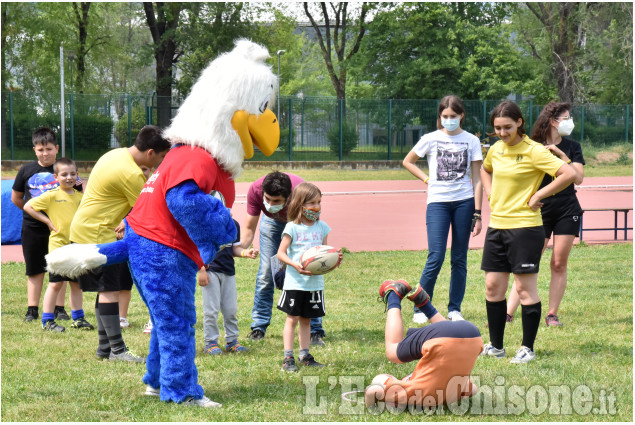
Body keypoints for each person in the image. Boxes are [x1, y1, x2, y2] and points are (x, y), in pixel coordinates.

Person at [480, 100, 576, 364]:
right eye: (498, 128)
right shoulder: (496, 150)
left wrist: (538, 196)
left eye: (507, 127)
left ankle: (527, 349)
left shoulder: (534, 150)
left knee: (524, 290)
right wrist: (490, 194)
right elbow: (484, 170)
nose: (501, 133)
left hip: (525, 228)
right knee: (493, 287)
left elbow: (567, 174)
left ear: (519, 123)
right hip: (497, 227)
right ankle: (496, 346)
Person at [70, 125, 170, 362]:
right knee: (110, 290)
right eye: (162, 157)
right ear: (151, 153)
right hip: (99, 234)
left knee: (105, 290)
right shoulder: (131, 174)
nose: (161, 162)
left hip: (84, 230)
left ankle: (104, 348)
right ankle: (117, 350)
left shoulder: (114, 154)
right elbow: (148, 208)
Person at [402, 95, 483, 324]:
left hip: (464, 203)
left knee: (459, 258)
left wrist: (477, 213)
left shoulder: (471, 141)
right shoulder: (430, 139)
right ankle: (421, 308)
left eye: (453, 116)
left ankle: (454, 309)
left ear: (461, 116)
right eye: (445, 116)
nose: (449, 120)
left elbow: (477, 179)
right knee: (435, 256)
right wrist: (427, 179)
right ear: (440, 117)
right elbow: (408, 161)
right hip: (437, 203)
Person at [505, 103, 585, 327]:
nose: (570, 122)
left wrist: (561, 155)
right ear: (553, 121)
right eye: (566, 118)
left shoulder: (573, 146)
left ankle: (552, 314)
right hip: (540, 209)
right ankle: (508, 313)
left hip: (568, 208)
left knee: (558, 263)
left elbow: (577, 178)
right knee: (528, 261)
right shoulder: (533, 146)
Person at [365, 279, 482, 408]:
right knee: (394, 353)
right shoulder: (412, 394)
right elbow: (373, 391)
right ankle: (421, 303)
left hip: (472, 337)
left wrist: (377, 403)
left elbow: (473, 388)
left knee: (394, 352)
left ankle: (395, 295)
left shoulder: (449, 393)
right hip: (463, 334)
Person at [242, 171, 327, 345]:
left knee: (309, 271)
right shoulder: (255, 190)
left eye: (276, 201)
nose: (270, 204)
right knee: (266, 273)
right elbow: (249, 228)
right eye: (268, 199)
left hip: (300, 223)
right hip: (271, 224)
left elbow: (313, 222)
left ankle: (315, 329)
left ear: (289, 198)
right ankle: (259, 326)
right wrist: (239, 248)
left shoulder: (301, 191)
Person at [12, 127, 83, 323]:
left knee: (59, 268)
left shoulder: (66, 171)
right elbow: (17, 198)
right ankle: (32, 309)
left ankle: (59, 309)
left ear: (57, 148)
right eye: (41, 150)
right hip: (33, 229)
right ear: (35, 150)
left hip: (61, 230)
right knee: (35, 269)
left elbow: (77, 199)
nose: (45, 153)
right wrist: (35, 214)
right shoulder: (26, 170)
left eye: (49, 149)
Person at [23, 158, 94, 332]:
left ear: (77, 175)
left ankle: (78, 318)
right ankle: (47, 321)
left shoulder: (80, 197)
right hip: (58, 247)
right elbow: (28, 206)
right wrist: (47, 221)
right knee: (56, 284)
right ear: (56, 176)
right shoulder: (51, 195)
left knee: (76, 284)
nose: (69, 177)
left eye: (72, 174)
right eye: (64, 174)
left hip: (76, 246)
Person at [276, 183, 341, 371]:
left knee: (307, 320)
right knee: (292, 319)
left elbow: (325, 254)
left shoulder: (322, 227)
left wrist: (334, 259)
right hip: (295, 282)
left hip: (314, 283)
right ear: (300, 204)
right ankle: (288, 358)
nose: (316, 206)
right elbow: (281, 253)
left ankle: (304, 354)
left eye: (319, 202)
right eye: (312, 203)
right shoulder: (292, 227)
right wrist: (295, 264)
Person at [198, 218, 259, 355]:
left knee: (231, 309)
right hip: (210, 271)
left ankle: (232, 341)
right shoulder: (204, 222)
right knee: (211, 310)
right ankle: (211, 343)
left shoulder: (233, 224)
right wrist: (201, 269)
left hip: (228, 272)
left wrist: (244, 252)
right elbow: (198, 248)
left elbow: (234, 249)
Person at [118, 164, 154, 330]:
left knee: (151, 283)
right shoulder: (124, 188)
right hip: (127, 242)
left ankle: (153, 319)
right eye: (136, 168)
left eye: (145, 169)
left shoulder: (155, 189)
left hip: (149, 242)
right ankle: (121, 317)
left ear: (152, 171)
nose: (140, 172)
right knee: (124, 281)